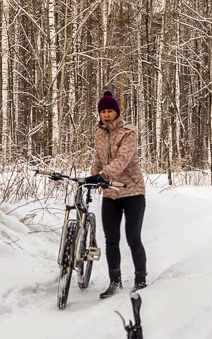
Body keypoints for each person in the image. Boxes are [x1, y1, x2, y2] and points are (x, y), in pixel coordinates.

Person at [84, 90, 147, 298]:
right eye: (103, 111)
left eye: (110, 111)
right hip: (111, 193)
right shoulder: (100, 133)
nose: (107, 115)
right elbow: (98, 160)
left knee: (133, 238)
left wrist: (102, 176)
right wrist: (92, 178)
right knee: (111, 239)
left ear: (117, 113)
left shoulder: (129, 132)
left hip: (132, 191)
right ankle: (114, 281)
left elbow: (123, 160)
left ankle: (140, 278)